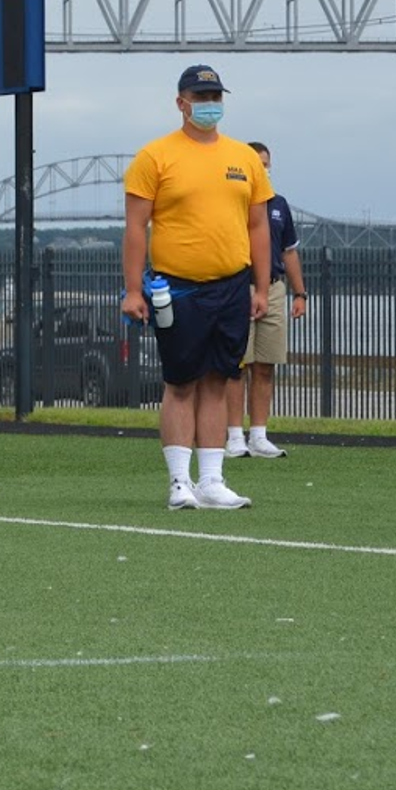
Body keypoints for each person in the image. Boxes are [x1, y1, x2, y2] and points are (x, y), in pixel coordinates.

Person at [121, 65, 270, 511]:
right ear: (181, 102)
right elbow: (135, 227)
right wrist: (132, 290)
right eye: (199, 96)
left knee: (218, 379)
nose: (208, 104)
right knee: (181, 382)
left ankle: (211, 480)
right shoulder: (155, 157)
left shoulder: (244, 158)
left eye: (214, 96)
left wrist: (261, 286)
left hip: (230, 286)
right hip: (178, 288)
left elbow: (258, 225)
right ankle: (179, 482)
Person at [225, 141, 305, 461]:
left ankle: (259, 435)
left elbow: (289, 251)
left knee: (266, 365)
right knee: (236, 364)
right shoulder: (231, 201)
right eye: (256, 162)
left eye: (266, 163)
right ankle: (233, 436)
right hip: (238, 288)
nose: (262, 167)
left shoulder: (279, 204)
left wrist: (300, 293)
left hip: (272, 288)